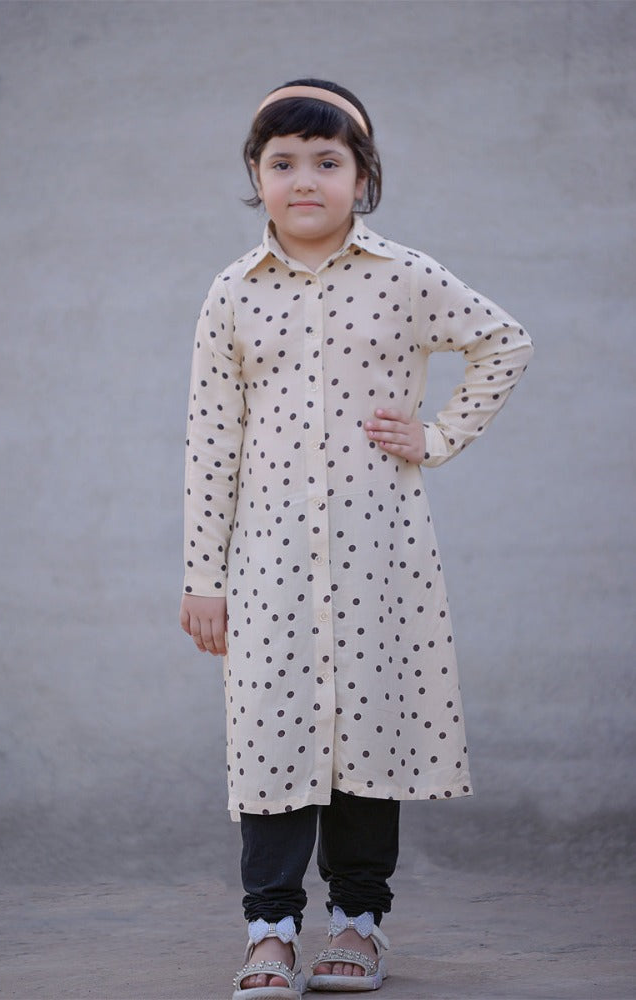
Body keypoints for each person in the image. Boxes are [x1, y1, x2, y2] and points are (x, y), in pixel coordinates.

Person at [179, 79, 532, 999]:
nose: (305, 180)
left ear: (363, 177)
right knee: (270, 740)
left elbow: (503, 343)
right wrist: (202, 577)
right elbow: (211, 442)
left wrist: (436, 436)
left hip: (382, 561)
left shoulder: (404, 276)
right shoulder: (232, 294)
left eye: (327, 162)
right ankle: (269, 930)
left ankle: (357, 924)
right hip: (268, 566)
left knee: (369, 736)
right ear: (255, 175)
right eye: (283, 162)